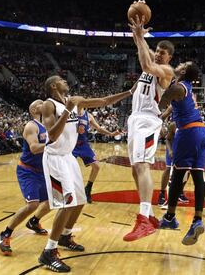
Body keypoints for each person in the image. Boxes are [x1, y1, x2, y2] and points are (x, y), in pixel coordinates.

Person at [38, 75, 135, 272]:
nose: (66, 81)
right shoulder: (48, 106)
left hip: (69, 157)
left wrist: (130, 92)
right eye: (62, 80)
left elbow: (105, 101)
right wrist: (67, 110)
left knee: (80, 199)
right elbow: (52, 136)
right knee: (67, 203)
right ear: (54, 86)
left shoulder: (75, 100)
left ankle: (65, 235)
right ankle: (48, 252)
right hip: (55, 158)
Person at [124, 14, 175, 241]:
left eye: (162, 52)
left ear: (169, 57)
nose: (158, 53)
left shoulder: (166, 72)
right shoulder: (149, 67)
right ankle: (152, 216)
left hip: (148, 120)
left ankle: (144, 218)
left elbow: (145, 62)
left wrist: (139, 38)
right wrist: (138, 35)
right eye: (157, 50)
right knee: (135, 168)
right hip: (135, 118)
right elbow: (143, 55)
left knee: (143, 165)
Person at [158, 61, 205, 245]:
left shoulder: (178, 87)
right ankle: (197, 220)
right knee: (198, 177)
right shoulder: (185, 88)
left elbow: (163, 100)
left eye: (183, 64)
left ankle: (170, 217)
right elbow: (172, 105)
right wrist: (164, 117)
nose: (179, 64)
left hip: (188, 132)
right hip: (203, 132)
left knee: (177, 175)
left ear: (183, 71)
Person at [0, 100, 51, 255]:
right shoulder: (31, 126)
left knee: (52, 201)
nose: (44, 103)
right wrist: (52, 143)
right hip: (28, 171)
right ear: (34, 109)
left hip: (42, 170)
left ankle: (34, 222)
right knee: (32, 205)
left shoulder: (47, 125)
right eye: (40, 103)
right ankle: (5, 233)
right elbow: (34, 148)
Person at [72, 107, 120, 203]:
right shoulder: (71, 114)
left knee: (96, 166)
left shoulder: (88, 116)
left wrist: (111, 134)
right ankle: (68, 191)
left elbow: (98, 128)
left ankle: (88, 189)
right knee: (70, 169)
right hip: (71, 144)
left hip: (83, 144)